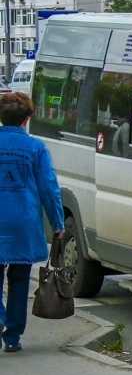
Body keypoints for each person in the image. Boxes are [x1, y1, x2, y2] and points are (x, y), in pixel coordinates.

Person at [0, 91, 65, 354]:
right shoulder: (36, 148)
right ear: (27, 119)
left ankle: (1, 317)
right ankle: (13, 336)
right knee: (19, 279)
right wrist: (58, 223)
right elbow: (49, 188)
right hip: (23, 221)